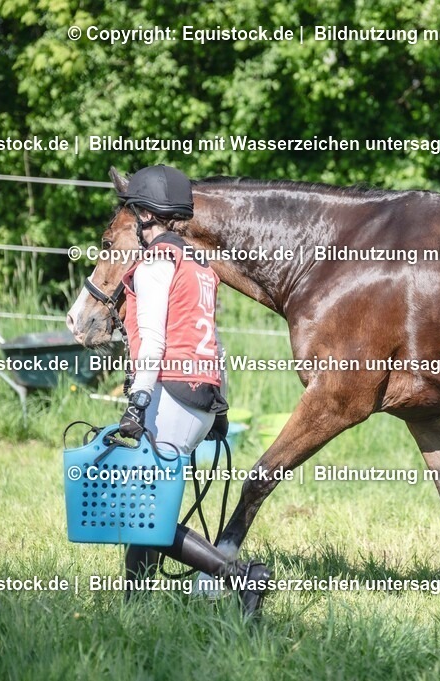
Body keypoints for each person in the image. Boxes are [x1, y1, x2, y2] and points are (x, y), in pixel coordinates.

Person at [114, 164, 270, 614]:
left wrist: (137, 401)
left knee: (149, 513)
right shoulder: (201, 266)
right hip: (202, 398)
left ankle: (241, 578)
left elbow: (155, 341)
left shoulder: (154, 265)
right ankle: (134, 608)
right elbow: (211, 337)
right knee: (144, 504)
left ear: (145, 215)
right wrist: (219, 409)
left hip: (170, 393)